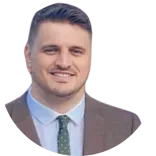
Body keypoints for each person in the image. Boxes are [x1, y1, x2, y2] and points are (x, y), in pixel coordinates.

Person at [5, 2, 143, 155]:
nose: (64, 63)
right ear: (28, 56)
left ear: (90, 59)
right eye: (51, 50)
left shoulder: (129, 128)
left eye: (76, 51)